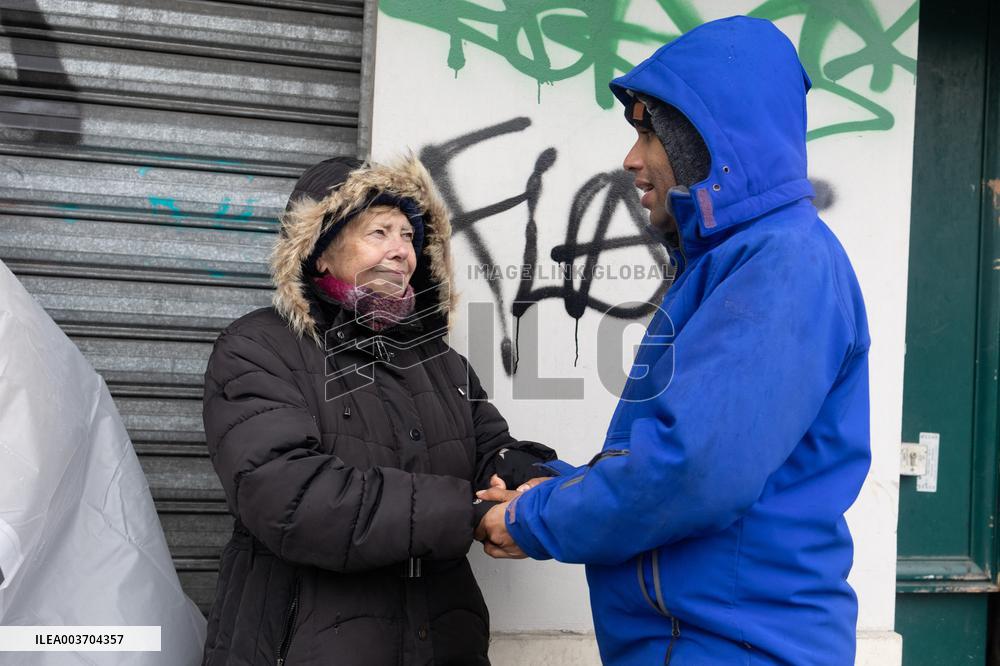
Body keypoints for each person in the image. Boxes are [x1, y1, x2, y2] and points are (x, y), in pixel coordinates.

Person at [476, 16, 871, 665]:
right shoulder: (742, 259)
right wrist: (555, 487)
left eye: (648, 131)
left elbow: (690, 472)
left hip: (730, 648)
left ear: (709, 140)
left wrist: (532, 518)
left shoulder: (781, 262)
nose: (632, 159)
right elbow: (685, 463)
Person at [200, 155, 557, 666]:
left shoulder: (442, 362)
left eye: (408, 236)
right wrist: (472, 514)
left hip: (443, 640)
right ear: (319, 252)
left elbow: (487, 450)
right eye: (377, 232)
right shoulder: (257, 348)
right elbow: (293, 499)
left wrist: (536, 485)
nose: (399, 252)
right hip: (304, 646)